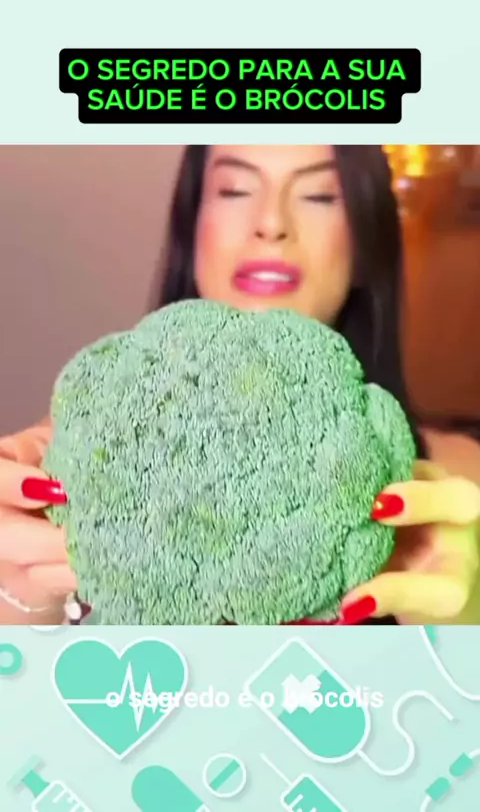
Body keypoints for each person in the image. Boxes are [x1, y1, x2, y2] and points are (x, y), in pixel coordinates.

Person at [1, 144, 479, 627]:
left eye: (320, 195)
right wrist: (22, 599)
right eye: (234, 190)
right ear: (192, 228)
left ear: (364, 245)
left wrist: (461, 626)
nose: (271, 223)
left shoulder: (460, 481)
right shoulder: (68, 453)